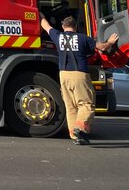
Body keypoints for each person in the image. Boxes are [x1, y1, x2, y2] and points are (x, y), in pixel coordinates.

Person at [39, 13, 119, 145]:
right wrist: (110, 41)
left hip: (63, 75)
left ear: (63, 26)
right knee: (86, 104)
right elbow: (102, 47)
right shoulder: (83, 38)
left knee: (71, 106)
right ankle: (80, 128)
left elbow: (45, 25)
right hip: (79, 74)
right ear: (75, 27)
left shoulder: (58, 36)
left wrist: (39, 13)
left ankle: (75, 137)